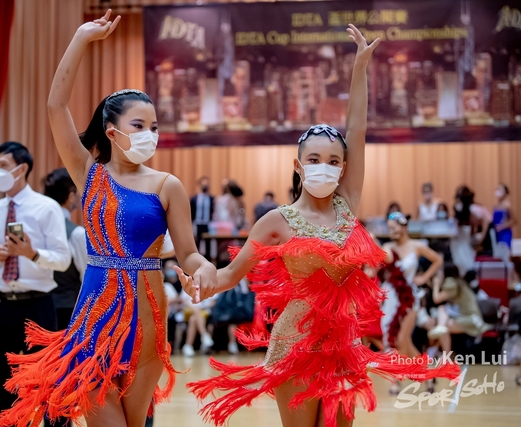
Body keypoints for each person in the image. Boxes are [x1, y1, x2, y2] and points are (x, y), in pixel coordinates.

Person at [178, 26, 459, 427]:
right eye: (313, 160)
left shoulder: (347, 204)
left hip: (344, 344)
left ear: (343, 167)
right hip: (296, 343)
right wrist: (201, 284)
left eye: (332, 161)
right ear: (298, 166)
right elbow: (229, 274)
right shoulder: (276, 221)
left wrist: (360, 68)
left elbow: (357, 130)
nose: (323, 167)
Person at [0, 11, 216, 427]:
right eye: (139, 125)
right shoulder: (88, 173)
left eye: (154, 126)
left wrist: (203, 269)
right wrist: (80, 38)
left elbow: (188, 254)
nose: (150, 133)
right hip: (94, 318)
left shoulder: (168, 185)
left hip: (148, 322)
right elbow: (55, 106)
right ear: (111, 130)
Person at [0, 142, 71, 425]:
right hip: (0, 303)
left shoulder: (46, 208)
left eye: (3, 166)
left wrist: (31, 254)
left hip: (37, 305)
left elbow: (63, 259)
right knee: (2, 385)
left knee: (47, 383)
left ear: (22, 169)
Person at [380, 212, 443, 394]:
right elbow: (383, 261)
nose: (391, 232)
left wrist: (424, 277)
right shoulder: (388, 247)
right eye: (388, 229)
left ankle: (400, 380)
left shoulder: (417, 246)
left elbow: (438, 260)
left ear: (404, 227)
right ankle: (424, 376)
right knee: (400, 342)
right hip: (391, 297)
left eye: (394, 228)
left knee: (401, 341)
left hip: (409, 299)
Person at [43, 168, 88, 330]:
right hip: (69, 309)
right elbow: (86, 277)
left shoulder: (38, 228)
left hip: (40, 306)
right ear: (70, 196)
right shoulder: (77, 234)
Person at [428, 263, 489, 350]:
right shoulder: (459, 282)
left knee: (444, 326)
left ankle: (446, 354)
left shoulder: (451, 281)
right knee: (442, 311)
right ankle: (444, 352)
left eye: (440, 271)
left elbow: (436, 299)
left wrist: (436, 284)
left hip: (471, 319)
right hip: (469, 317)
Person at [190, 176, 214, 252]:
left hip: (208, 224)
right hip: (197, 224)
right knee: (196, 243)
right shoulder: (194, 199)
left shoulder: (211, 199)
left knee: (208, 244)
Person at [492, 183, 515, 248]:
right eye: (497, 189)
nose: (498, 191)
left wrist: (502, 226)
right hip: (496, 232)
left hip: (505, 233)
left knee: (504, 250)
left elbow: (514, 220)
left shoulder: (507, 205)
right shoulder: (495, 206)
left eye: (500, 189)